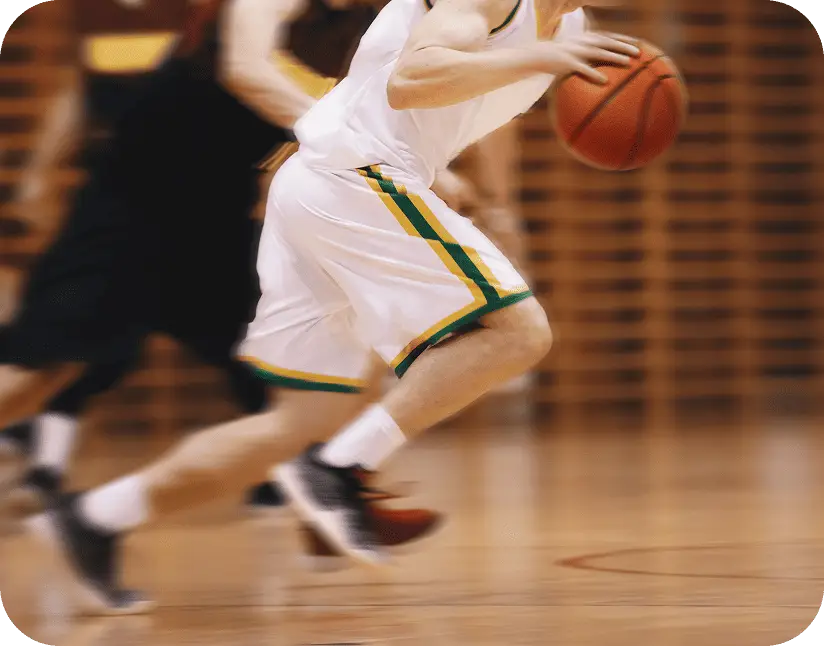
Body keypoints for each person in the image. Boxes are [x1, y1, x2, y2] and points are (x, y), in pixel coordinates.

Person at [26, 0, 638, 614]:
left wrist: (502, 206)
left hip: (322, 182)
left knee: (294, 423)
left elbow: (496, 107)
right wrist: (542, 55)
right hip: (359, 172)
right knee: (518, 333)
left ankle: (99, 517)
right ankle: (338, 468)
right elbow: (411, 79)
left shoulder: (572, 27)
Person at [0, 0, 445, 578]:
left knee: (300, 378)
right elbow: (246, 71)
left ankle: (327, 516)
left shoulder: (376, 18)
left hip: (214, 222)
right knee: (40, 371)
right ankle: (328, 511)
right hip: (131, 207)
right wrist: (356, 140)